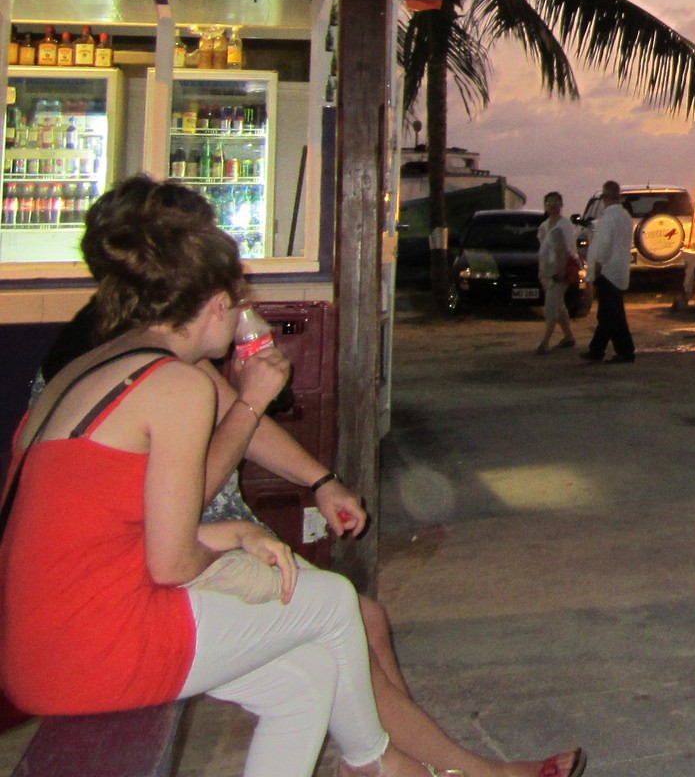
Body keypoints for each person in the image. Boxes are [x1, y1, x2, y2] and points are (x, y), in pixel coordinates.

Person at [30, 185, 585, 777]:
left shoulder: (132, 347)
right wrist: (249, 409)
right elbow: (176, 531)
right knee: (333, 610)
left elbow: (175, 488)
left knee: (326, 657)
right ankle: (391, 763)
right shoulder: (151, 370)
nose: (245, 298)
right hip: (105, 612)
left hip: (101, 588)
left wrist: (320, 480)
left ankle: (409, 761)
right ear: (195, 282)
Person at [0, 178, 429, 777]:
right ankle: (376, 764)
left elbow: (127, 529)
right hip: (93, 644)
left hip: (38, 644)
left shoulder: (95, 365)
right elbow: (170, 565)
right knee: (332, 602)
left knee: (306, 678)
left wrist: (231, 535)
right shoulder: (178, 385)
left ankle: (377, 760)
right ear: (217, 304)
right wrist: (252, 403)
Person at [582, 180, 636, 364]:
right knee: (606, 314)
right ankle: (596, 349)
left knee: (612, 314)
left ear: (605, 198)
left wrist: (596, 268)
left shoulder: (607, 219)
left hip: (607, 271)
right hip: (619, 269)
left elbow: (603, 246)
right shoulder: (626, 218)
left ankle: (625, 351)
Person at [533, 191, 578, 353]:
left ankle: (545, 342)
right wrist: (542, 271)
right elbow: (543, 249)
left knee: (551, 306)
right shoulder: (544, 225)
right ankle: (568, 336)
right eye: (550, 203)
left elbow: (566, 251)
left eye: (556, 203)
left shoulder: (563, 225)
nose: (553, 206)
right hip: (547, 270)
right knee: (558, 305)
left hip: (561, 270)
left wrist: (560, 271)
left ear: (562, 205)